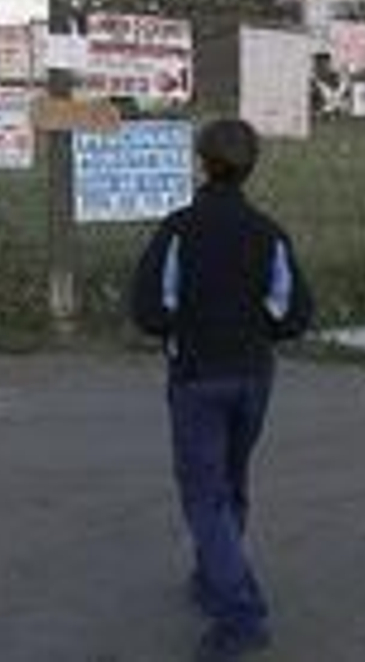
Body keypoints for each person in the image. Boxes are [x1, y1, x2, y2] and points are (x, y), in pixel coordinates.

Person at [130, 117, 314, 662]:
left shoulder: (179, 229)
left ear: (200, 162)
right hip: (255, 375)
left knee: (204, 495)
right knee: (231, 482)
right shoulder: (269, 233)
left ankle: (241, 614)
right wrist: (256, 325)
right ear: (251, 166)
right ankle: (215, 575)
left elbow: (149, 309)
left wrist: (184, 326)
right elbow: (294, 312)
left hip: (196, 377)